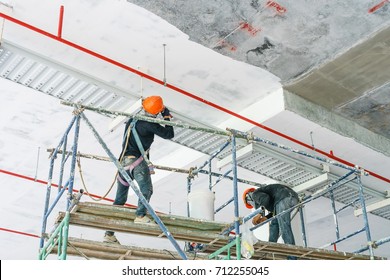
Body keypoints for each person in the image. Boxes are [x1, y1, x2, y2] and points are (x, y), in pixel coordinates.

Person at [104, 95, 174, 244]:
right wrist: (166, 116)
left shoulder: (132, 120)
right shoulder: (149, 123)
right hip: (136, 162)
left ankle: (109, 234)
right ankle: (140, 215)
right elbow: (169, 134)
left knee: (119, 200)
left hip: (123, 164)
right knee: (146, 189)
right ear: (156, 112)